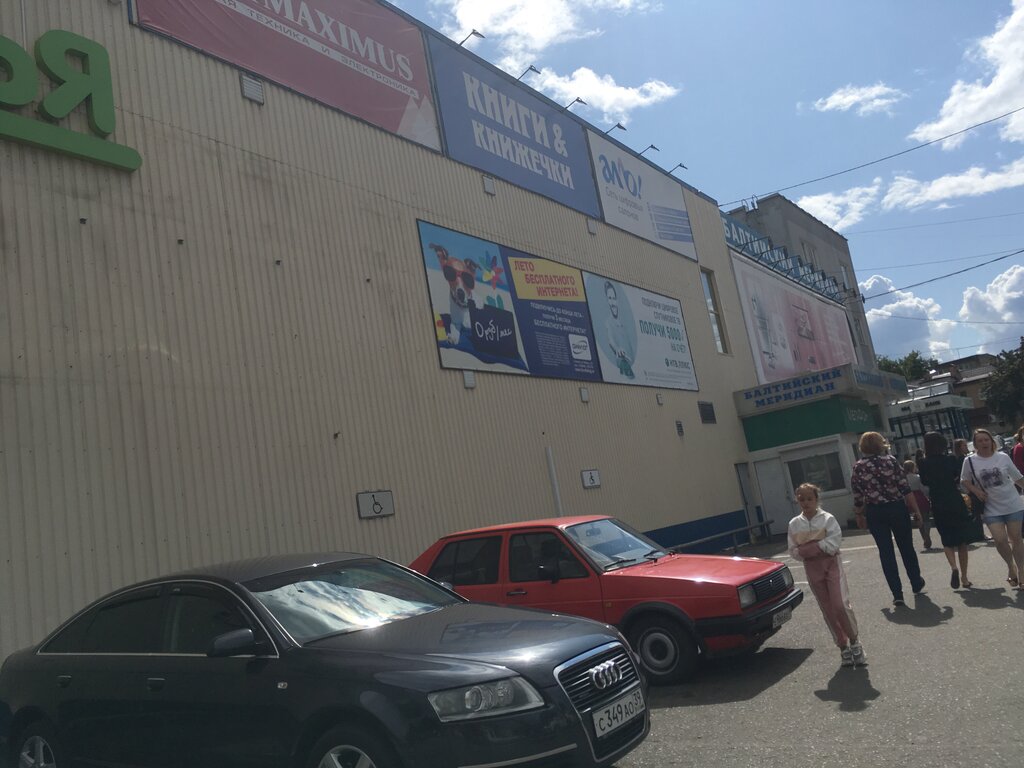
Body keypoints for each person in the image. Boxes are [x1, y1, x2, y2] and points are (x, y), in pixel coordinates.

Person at [788, 483, 865, 667]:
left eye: (809, 499)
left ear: (816, 499)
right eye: (801, 499)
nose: (806, 503)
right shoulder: (794, 524)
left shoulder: (827, 519)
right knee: (827, 610)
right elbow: (793, 551)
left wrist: (811, 547)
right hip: (812, 569)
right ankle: (842, 646)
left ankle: (855, 641)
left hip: (832, 566)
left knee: (839, 605)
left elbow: (833, 544)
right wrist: (813, 549)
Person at [851, 431, 925, 606]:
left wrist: (859, 515)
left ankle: (897, 593)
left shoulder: (859, 467)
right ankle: (915, 582)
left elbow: (858, 495)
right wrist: (916, 511)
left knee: (886, 552)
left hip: (875, 511)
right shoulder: (891, 461)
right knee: (906, 547)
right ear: (880, 444)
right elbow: (905, 488)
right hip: (896, 507)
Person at [917, 432, 984, 589]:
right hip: (954, 499)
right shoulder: (950, 459)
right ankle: (965, 577)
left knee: (946, 538)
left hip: (938, 501)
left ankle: (953, 567)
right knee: (961, 540)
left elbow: (924, 481)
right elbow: (957, 476)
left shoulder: (922, 462)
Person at [960, 428, 1024, 590]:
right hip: (990, 507)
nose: (984, 443)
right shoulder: (970, 461)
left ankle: (1022, 572)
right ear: (975, 444)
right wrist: (976, 491)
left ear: (992, 441)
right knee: (1000, 540)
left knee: (1016, 538)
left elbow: (1017, 477)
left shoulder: (1002, 457)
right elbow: (964, 480)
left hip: (1012, 504)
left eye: (986, 440)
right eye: (980, 441)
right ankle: (1011, 566)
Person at [903, 459, 933, 550]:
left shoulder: (904, 479)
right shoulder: (917, 477)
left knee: (918, 519)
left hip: (910, 498)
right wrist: (928, 495)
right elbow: (923, 488)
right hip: (920, 497)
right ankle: (927, 534)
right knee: (926, 518)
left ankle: (924, 537)